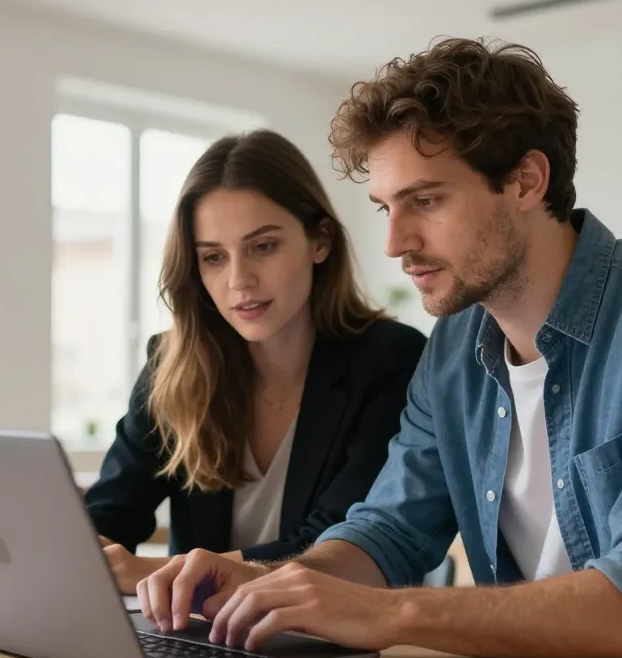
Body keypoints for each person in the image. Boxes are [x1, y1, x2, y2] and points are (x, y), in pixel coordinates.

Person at [135, 38, 622, 658]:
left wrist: (390, 614)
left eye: (425, 201)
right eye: (384, 209)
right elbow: (389, 532)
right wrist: (277, 583)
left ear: (525, 181)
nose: (396, 243)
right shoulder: (455, 350)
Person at [84, 128, 426, 594]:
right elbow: (110, 512)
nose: (239, 280)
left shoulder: (390, 360)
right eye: (213, 258)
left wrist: (146, 573)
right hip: (198, 637)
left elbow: (334, 545)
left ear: (320, 241)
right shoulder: (172, 365)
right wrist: (76, 551)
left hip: (333, 637)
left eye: (263, 247)